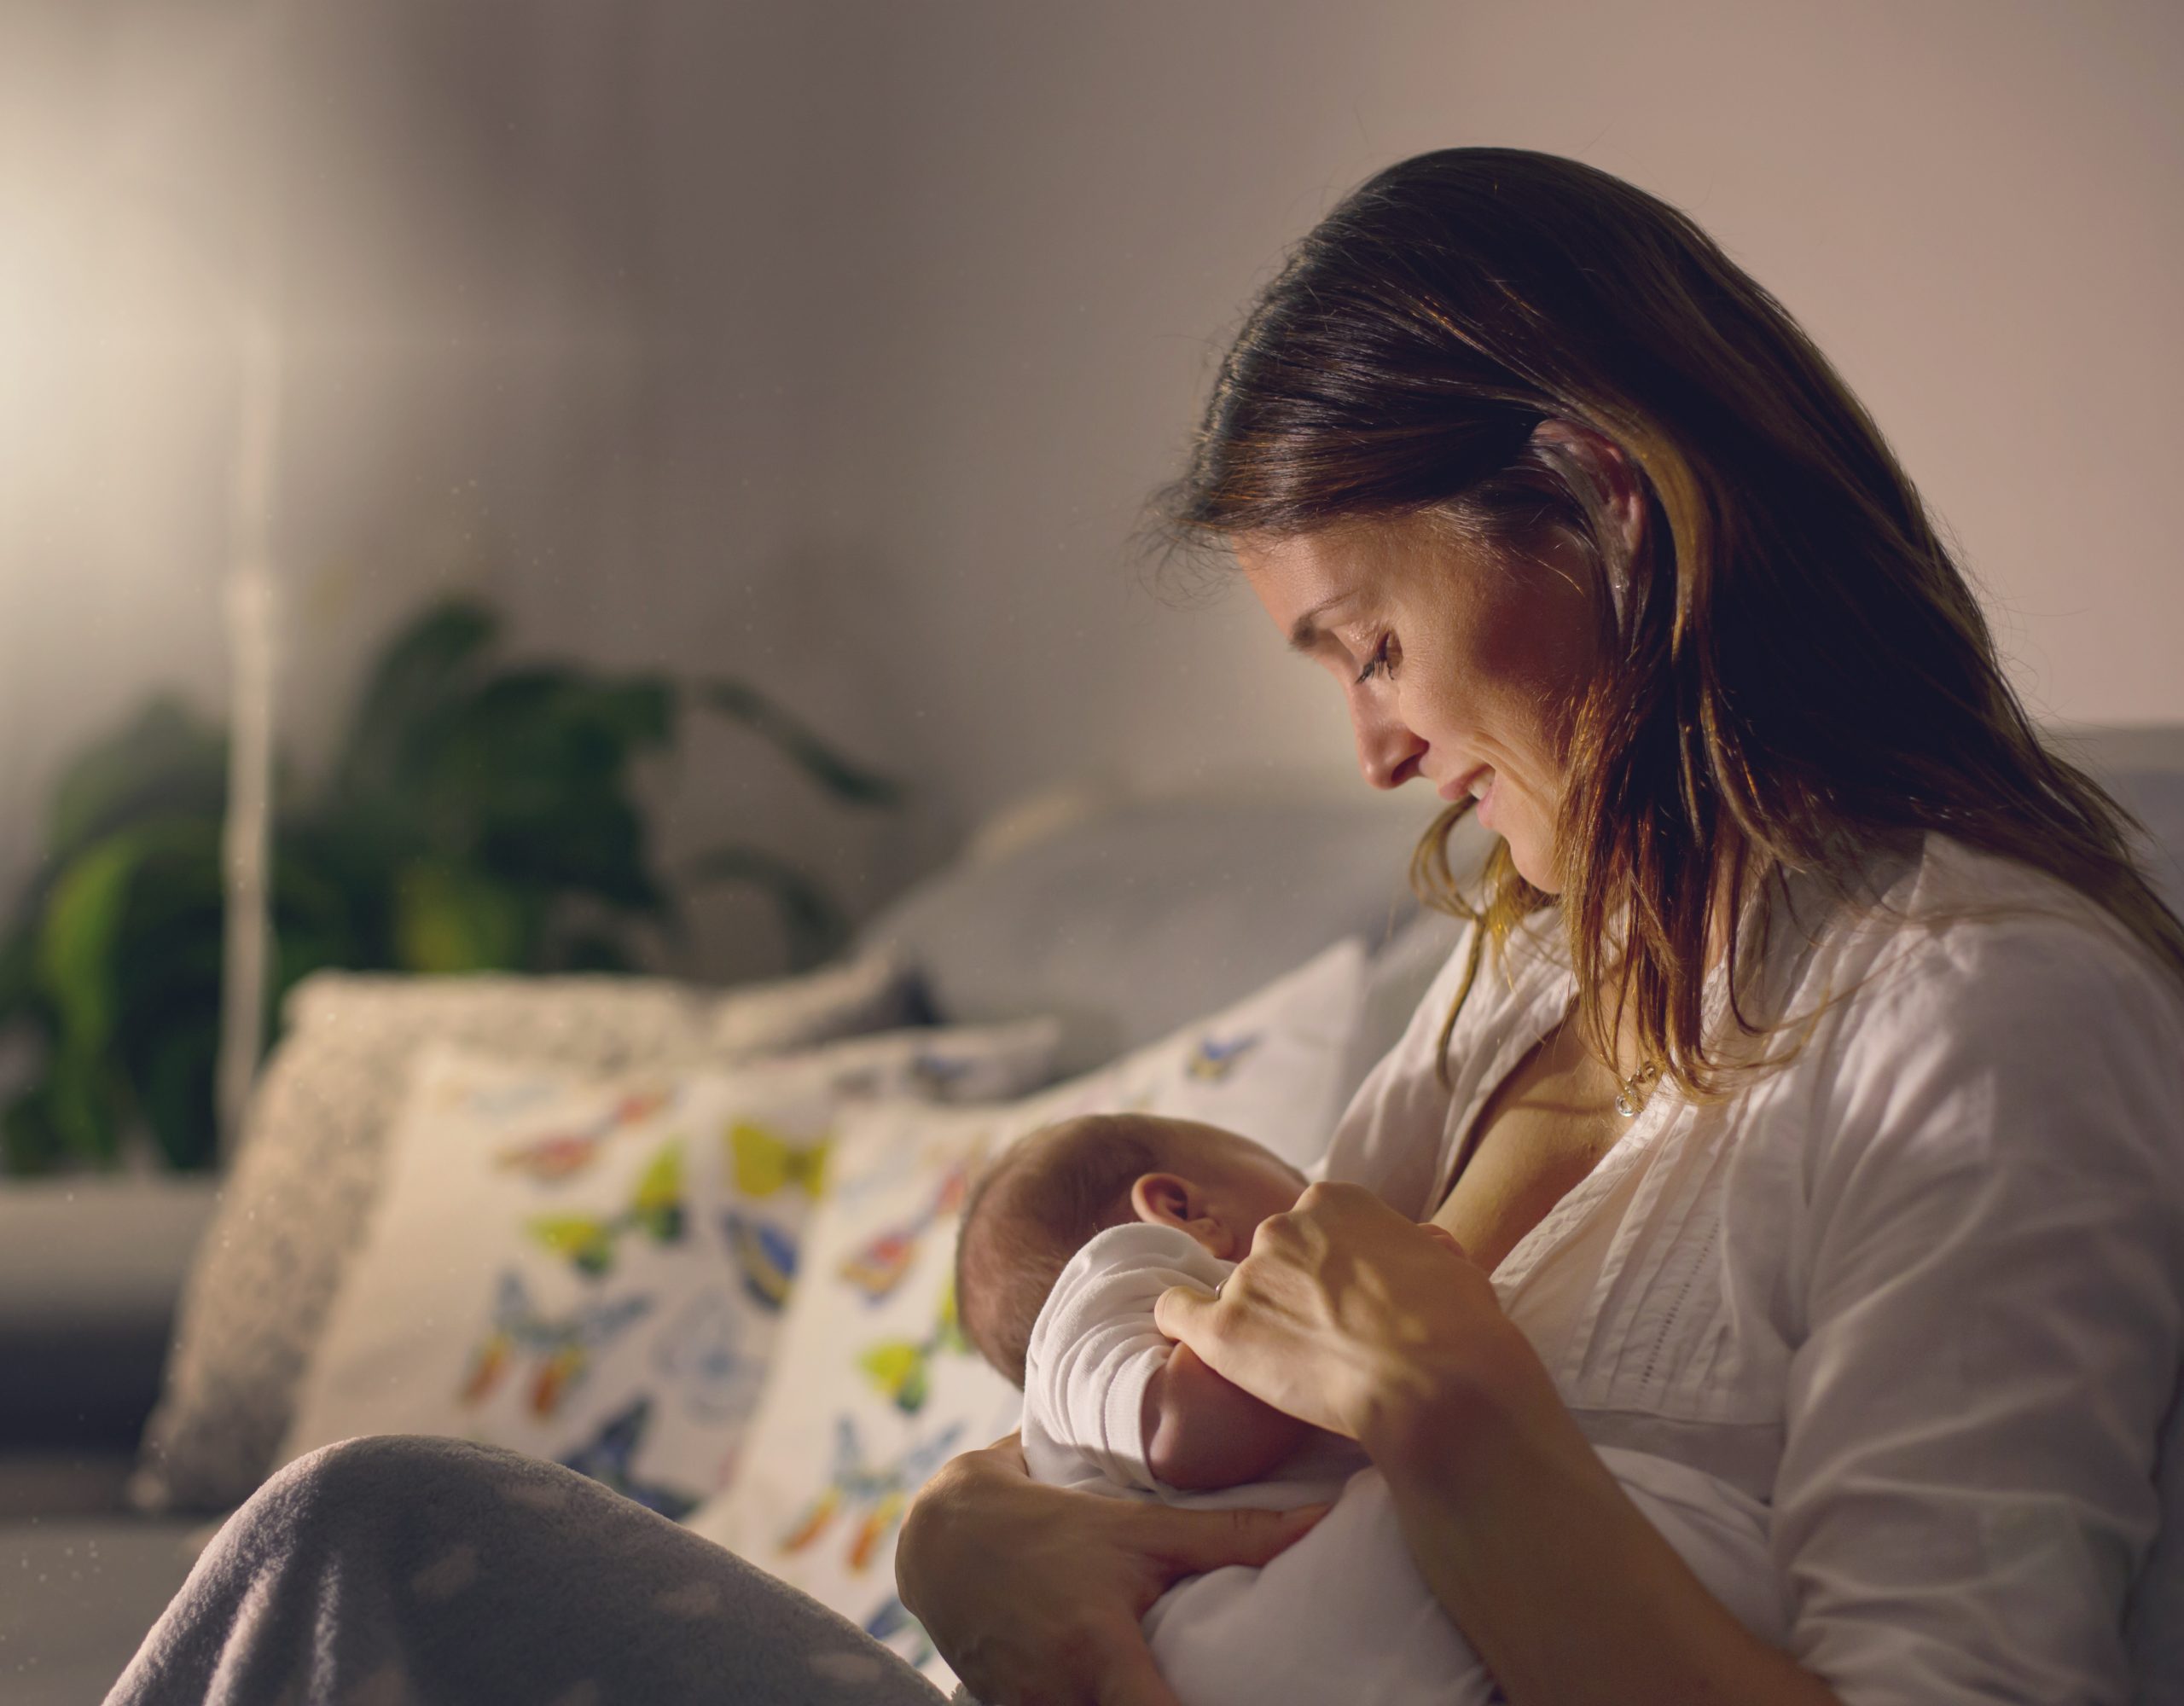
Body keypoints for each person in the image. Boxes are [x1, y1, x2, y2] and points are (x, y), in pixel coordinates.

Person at [102, 145, 2184, 1706]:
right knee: (350, 1547)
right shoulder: (1522, 976)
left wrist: (1462, 1432)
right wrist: (958, 1529)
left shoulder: (1983, 1017)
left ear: (1599, 500)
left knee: (367, 1538)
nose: (1373, 751)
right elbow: (1141, 1430)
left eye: (1368, 643)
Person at [952, 1111, 1789, 1706]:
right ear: (1179, 1208)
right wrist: (1361, 1339)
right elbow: (1181, 1432)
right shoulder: (1108, 1287)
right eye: (1296, 1180)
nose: (1321, 1193)